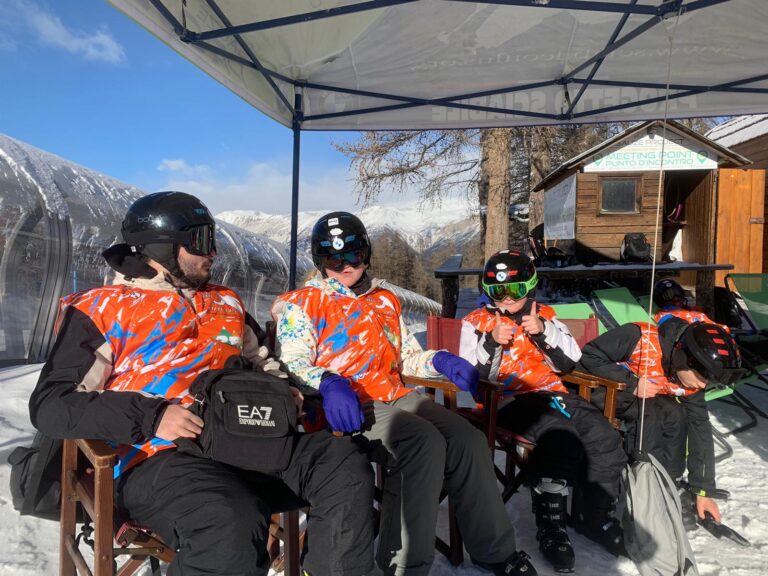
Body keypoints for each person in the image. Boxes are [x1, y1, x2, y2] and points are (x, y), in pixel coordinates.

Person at [29, 192, 375, 576]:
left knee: (343, 462)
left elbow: (262, 361)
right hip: (162, 459)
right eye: (201, 243)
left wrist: (282, 391)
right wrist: (153, 415)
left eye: (213, 241)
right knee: (228, 522)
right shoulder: (103, 309)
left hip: (249, 437)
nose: (213, 254)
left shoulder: (226, 302)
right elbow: (52, 403)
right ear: (160, 247)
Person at [272, 212, 537, 576]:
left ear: (366, 253)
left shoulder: (385, 299)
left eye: (353, 254)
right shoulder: (303, 303)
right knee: (421, 442)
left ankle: (494, 550)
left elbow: (407, 356)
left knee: (467, 439)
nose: (346, 265)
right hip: (346, 406)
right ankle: (405, 565)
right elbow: (293, 362)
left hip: (394, 393)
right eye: (334, 258)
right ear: (321, 262)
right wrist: (329, 383)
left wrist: (442, 361)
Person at [459, 250, 627, 572]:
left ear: (530, 287)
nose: (505, 300)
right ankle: (552, 526)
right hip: (506, 401)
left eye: (514, 291)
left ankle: (595, 515)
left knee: (603, 435)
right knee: (560, 437)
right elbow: (468, 374)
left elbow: (569, 360)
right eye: (497, 292)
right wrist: (492, 342)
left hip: (553, 394)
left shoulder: (545, 316)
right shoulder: (476, 323)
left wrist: (542, 332)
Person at [579, 316, 744, 528]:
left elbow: (700, 426)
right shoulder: (637, 336)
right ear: (685, 358)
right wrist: (631, 383)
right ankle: (645, 487)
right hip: (603, 392)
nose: (702, 387)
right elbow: (590, 356)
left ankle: (668, 484)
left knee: (677, 415)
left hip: (646, 402)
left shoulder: (691, 378)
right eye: (702, 379)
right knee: (654, 413)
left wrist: (703, 490)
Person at [653, 278, 730, 330]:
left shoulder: (696, 311)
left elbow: (714, 326)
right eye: (669, 295)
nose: (676, 298)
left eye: (678, 293)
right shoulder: (664, 316)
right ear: (660, 299)